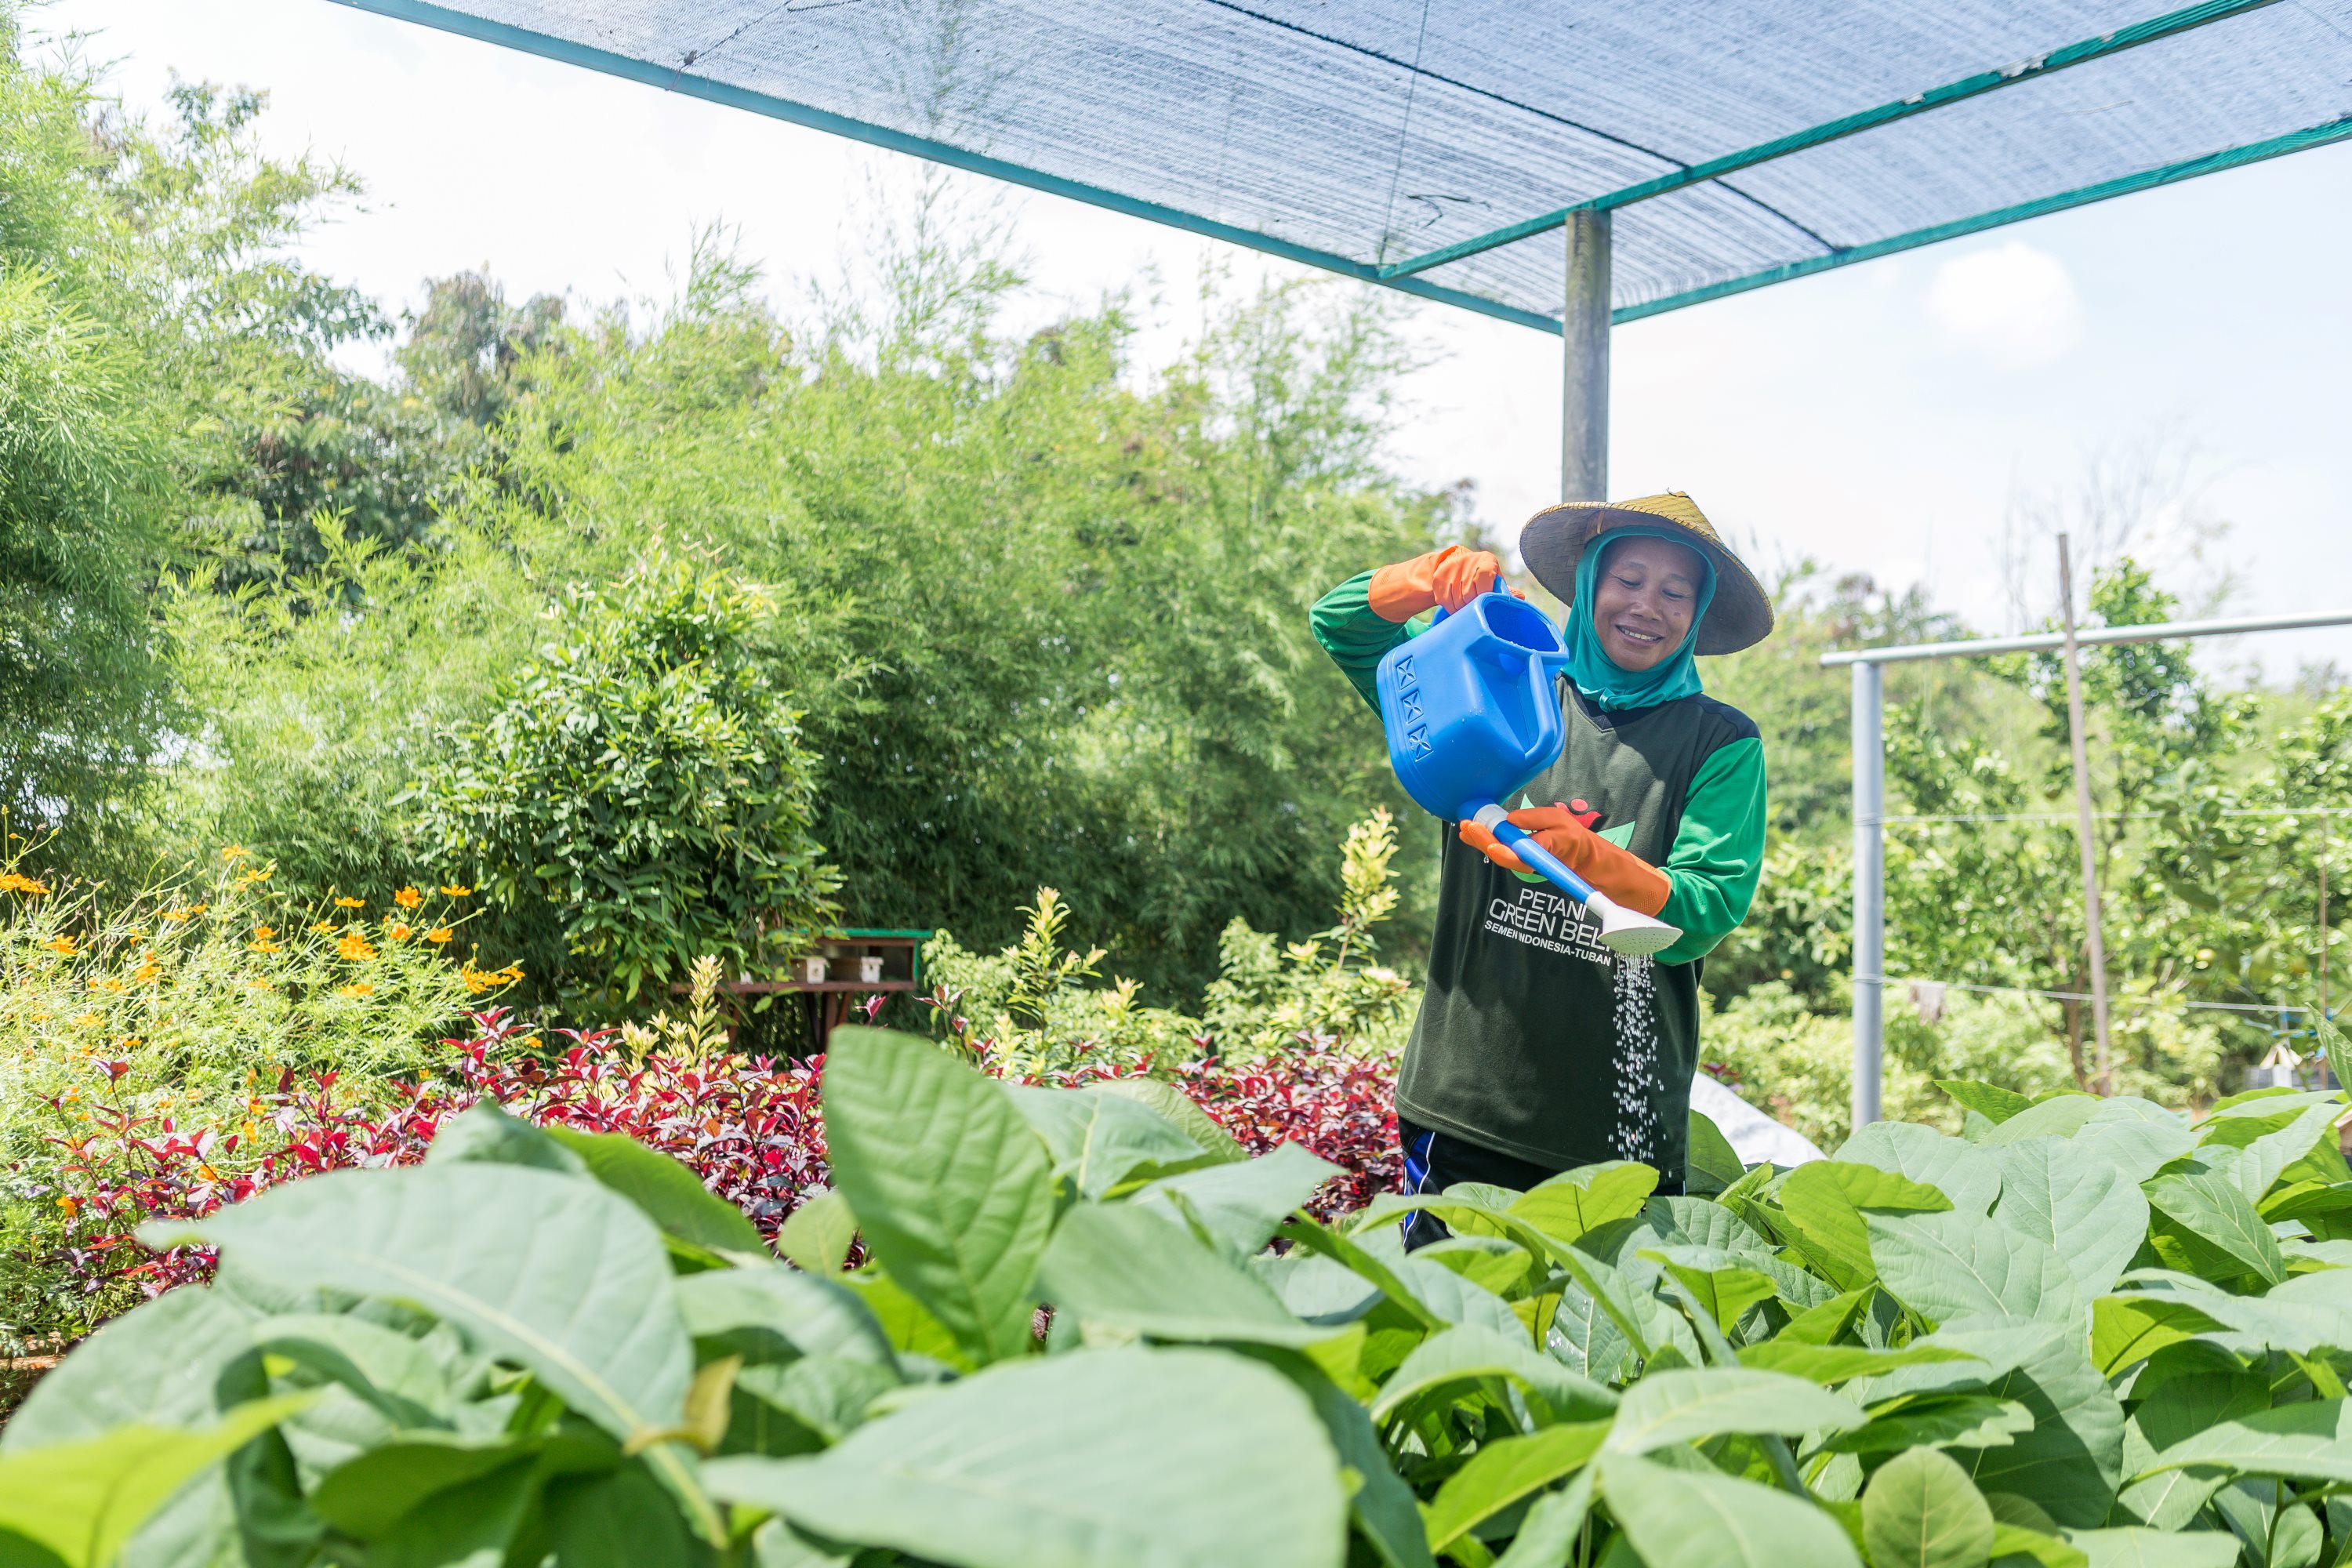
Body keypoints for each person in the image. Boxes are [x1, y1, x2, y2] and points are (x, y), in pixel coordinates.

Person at [1310, 492, 1773, 1243]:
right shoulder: (1501, 683)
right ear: (1590, 584)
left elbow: (1703, 911)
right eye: (1628, 579)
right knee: (1451, 1310)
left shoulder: (1718, 743)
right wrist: (1423, 579)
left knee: (1602, 1322)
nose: (1646, 606)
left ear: (1697, 613)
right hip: (1465, 1104)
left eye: (1675, 592)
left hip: (1619, 1137)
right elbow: (1344, 628)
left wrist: (1586, 852)